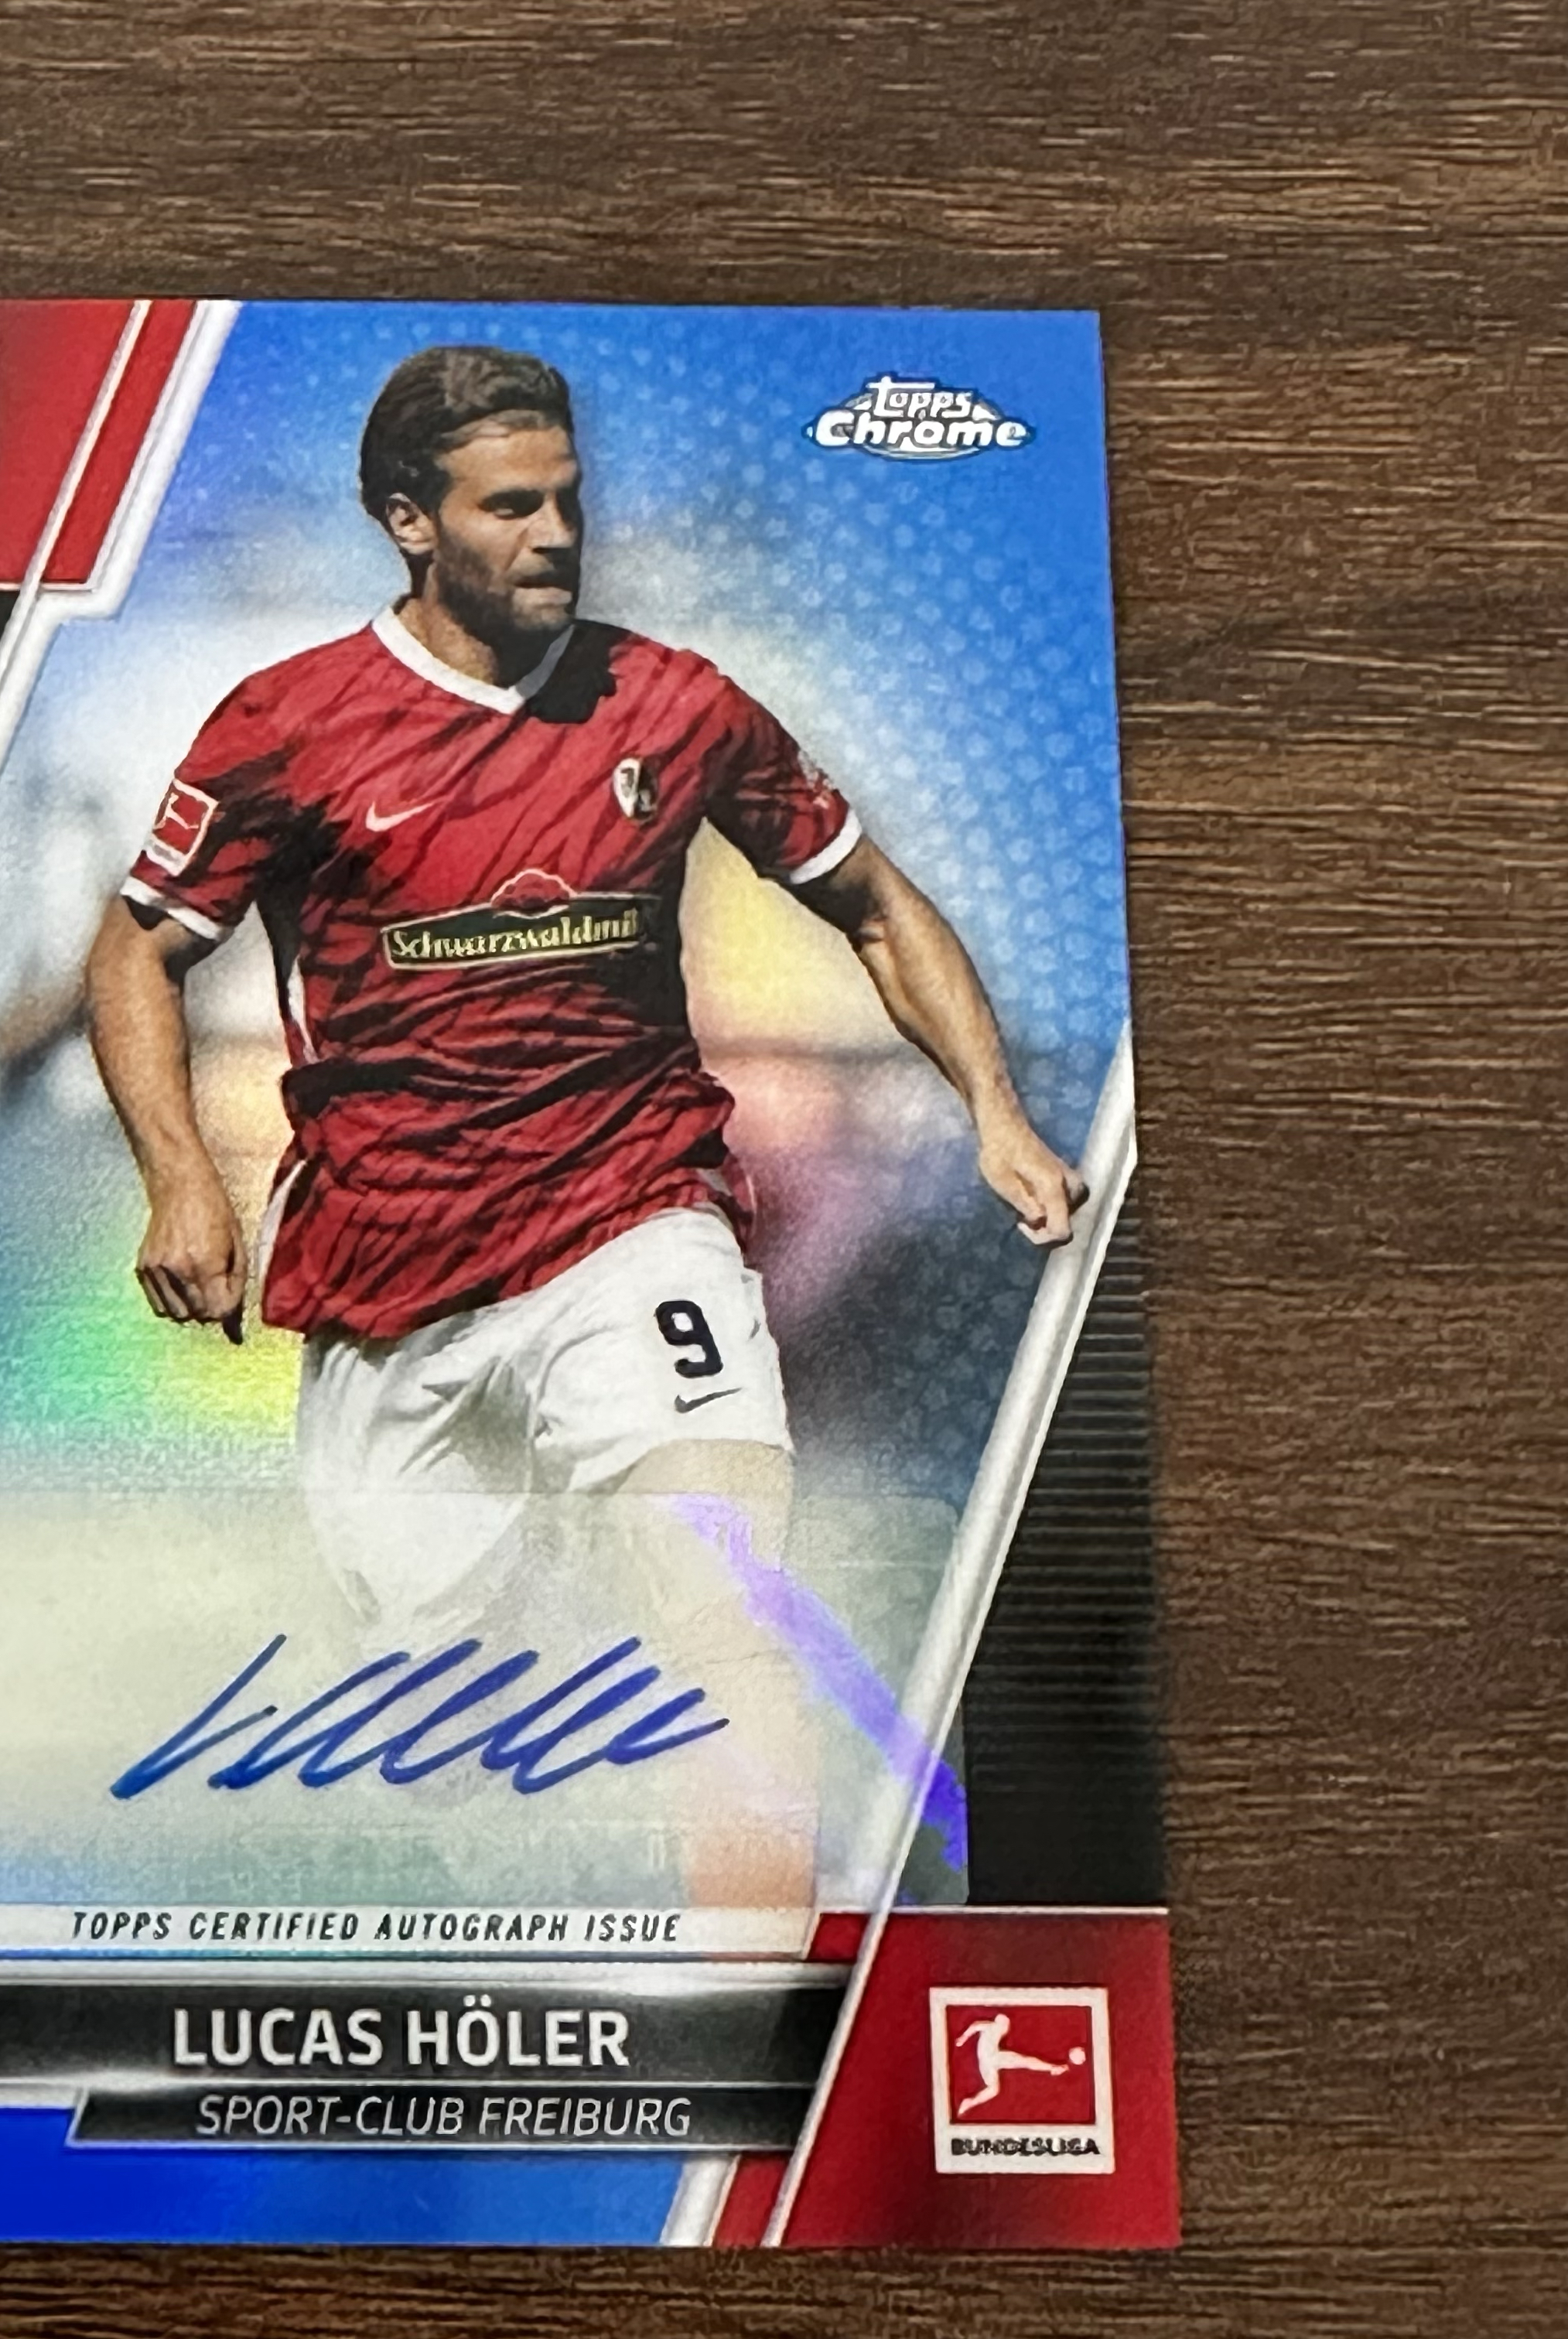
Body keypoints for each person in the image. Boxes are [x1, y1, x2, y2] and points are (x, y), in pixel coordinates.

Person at [84, 345, 1082, 1897]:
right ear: (409, 521)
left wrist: (994, 1110)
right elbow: (136, 952)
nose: (556, 534)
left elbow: (878, 908)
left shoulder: (675, 705)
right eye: (510, 507)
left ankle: (763, 1998)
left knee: (720, 1604)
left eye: (568, 499)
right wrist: (180, 1181)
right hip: (391, 1267)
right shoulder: (288, 725)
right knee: (446, 1740)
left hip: (636, 1218)